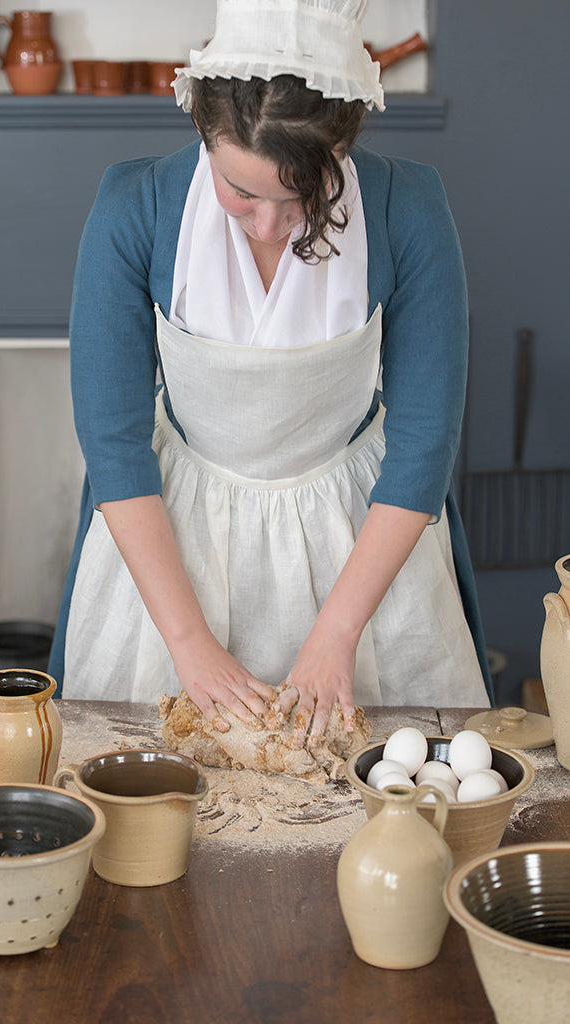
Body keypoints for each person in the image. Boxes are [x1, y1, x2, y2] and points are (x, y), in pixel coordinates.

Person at [50, 0, 492, 743]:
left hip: (360, 537)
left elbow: (422, 443)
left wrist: (336, 635)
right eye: (242, 193)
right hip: (170, 542)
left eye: (300, 200)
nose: (268, 226)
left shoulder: (407, 208)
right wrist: (188, 647)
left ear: (342, 147)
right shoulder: (134, 206)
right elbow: (114, 441)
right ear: (200, 125)